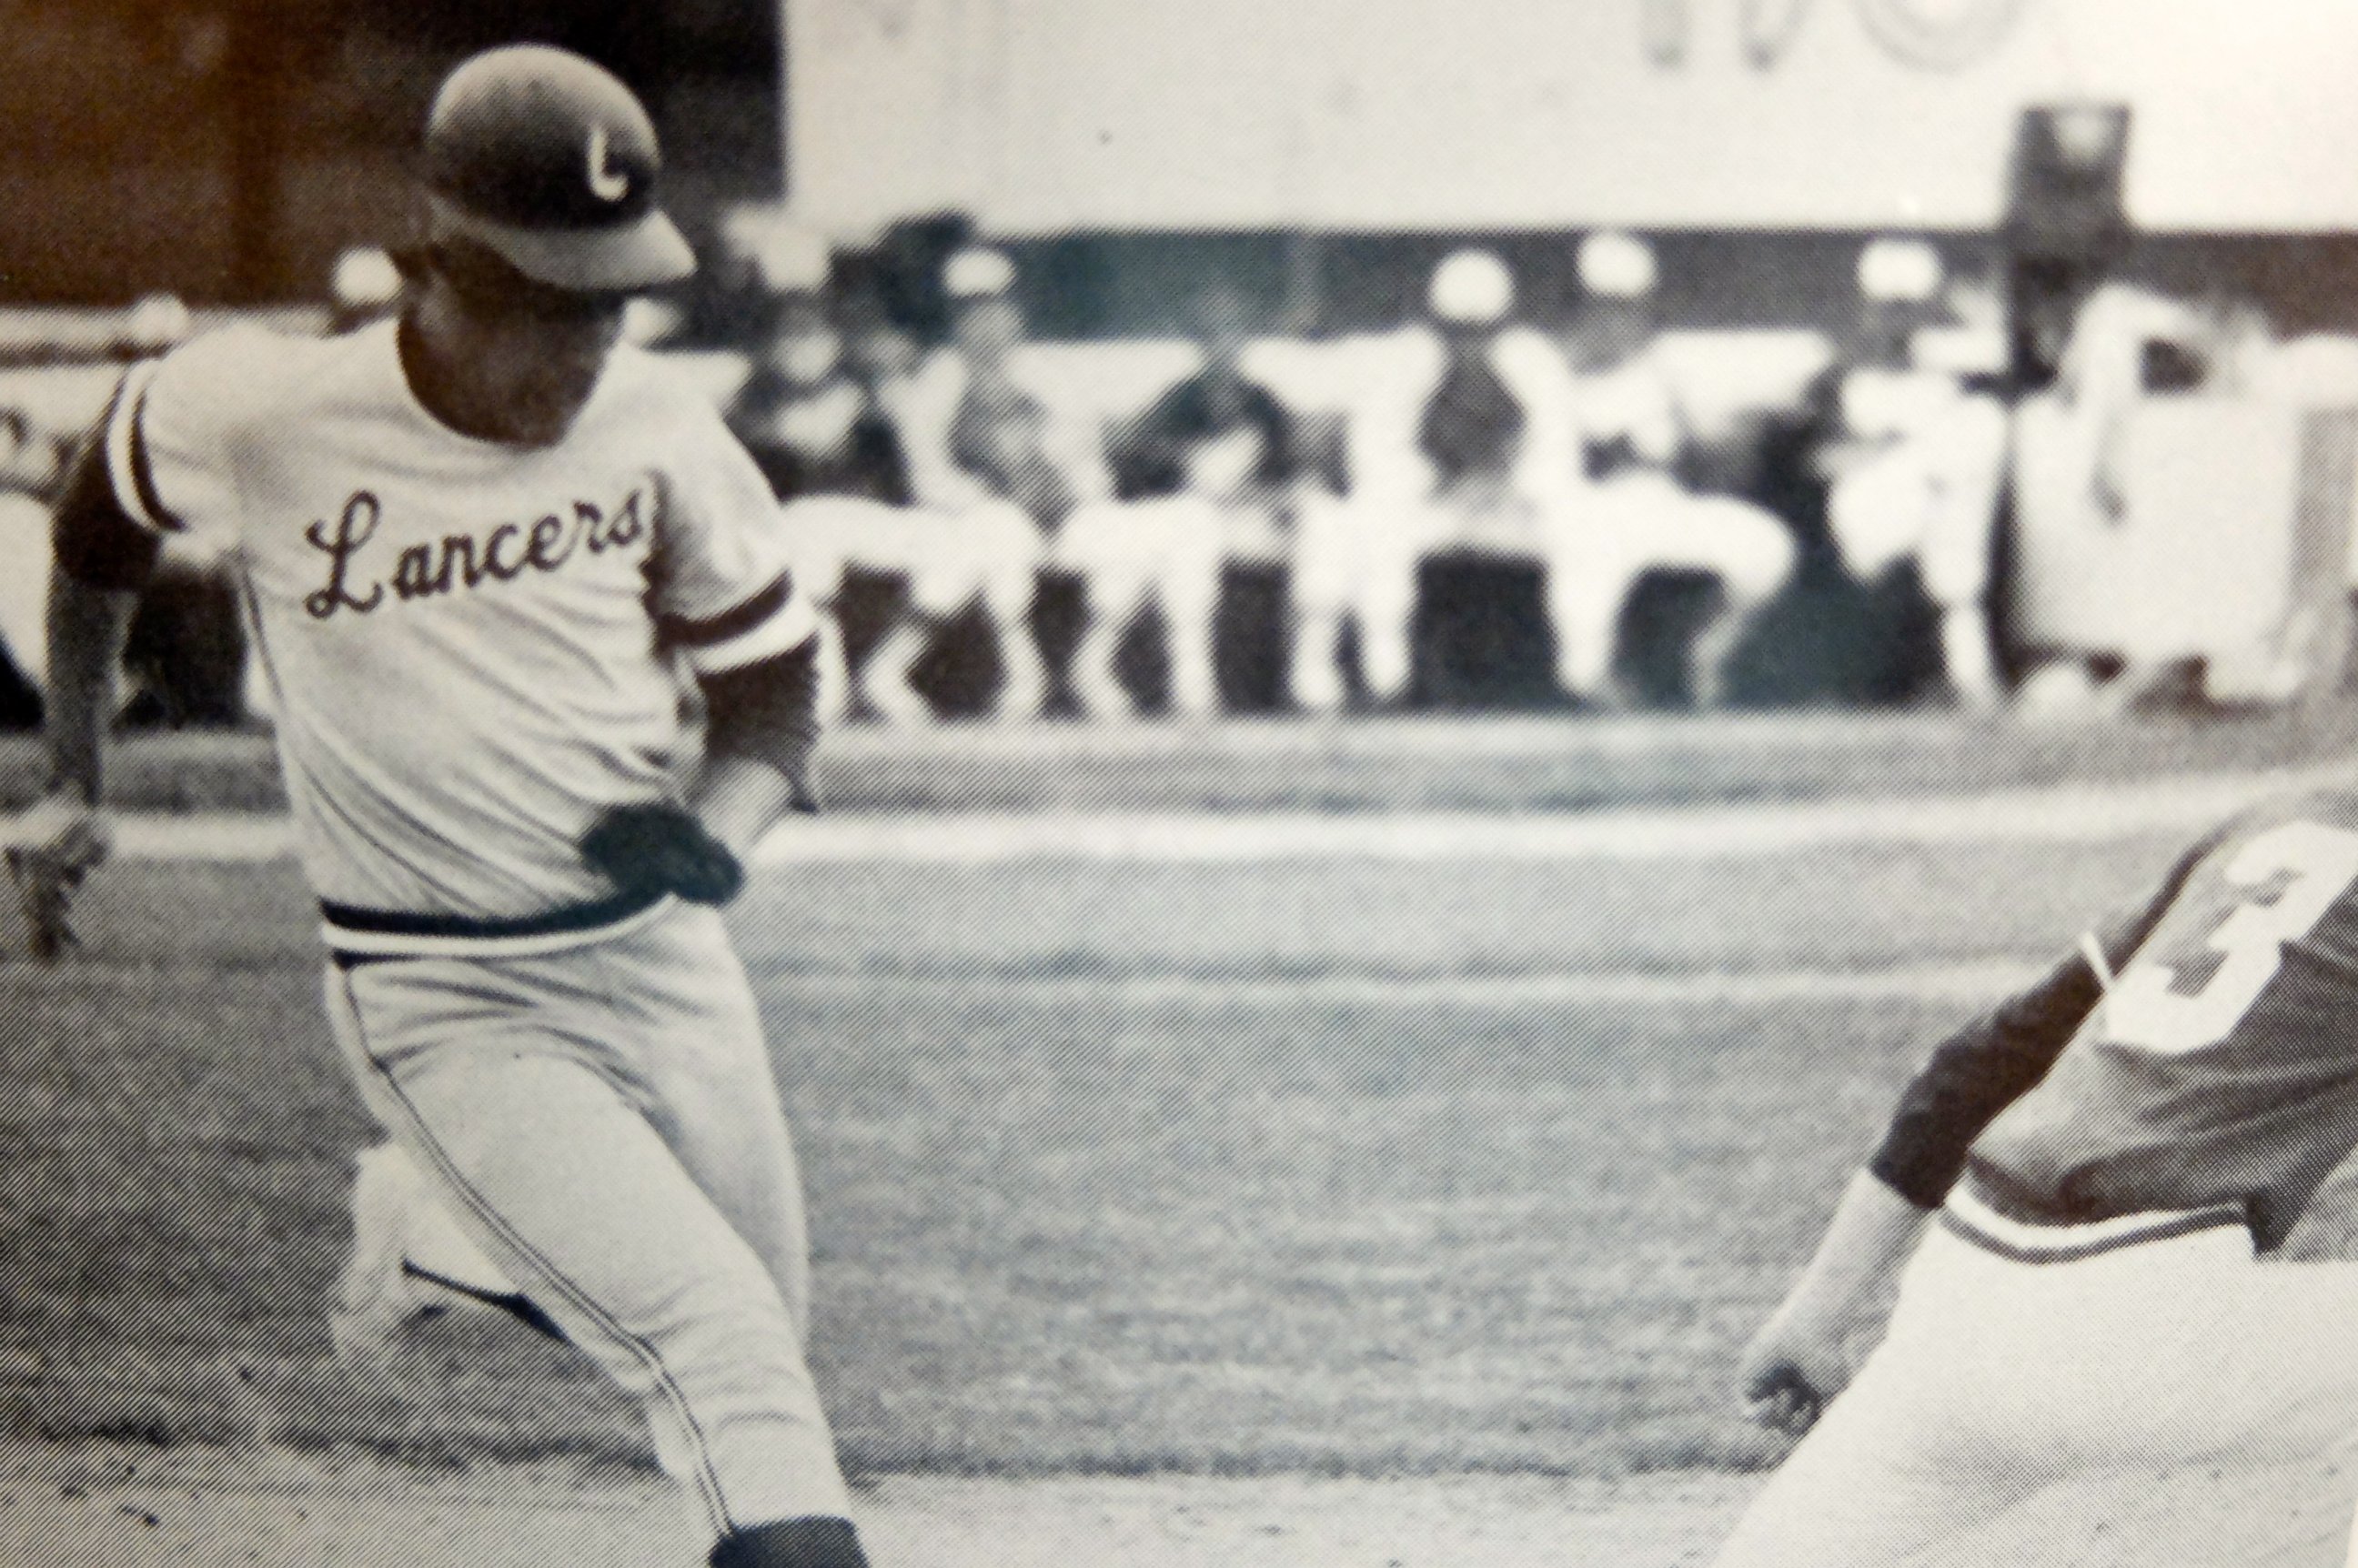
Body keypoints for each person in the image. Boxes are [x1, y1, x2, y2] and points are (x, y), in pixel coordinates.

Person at [11, 46, 873, 1568]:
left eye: (610, 303)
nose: (582, 348)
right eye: (548, 303)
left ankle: (440, 1235)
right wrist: (76, 769)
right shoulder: (272, 410)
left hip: (663, 965)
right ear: (439, 263)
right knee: (731, 1358)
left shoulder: (661, 431)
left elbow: (776, 689)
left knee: (764, 1355)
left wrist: (717, 833)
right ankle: (458, 1210)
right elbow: (98, 517)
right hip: (442, 988)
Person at [1711, 781, 2358, 1565]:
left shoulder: (2272, 824)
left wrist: (1815, 1315)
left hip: (1954, 1321)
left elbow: (1975, 1069)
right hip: (2161, 1332)